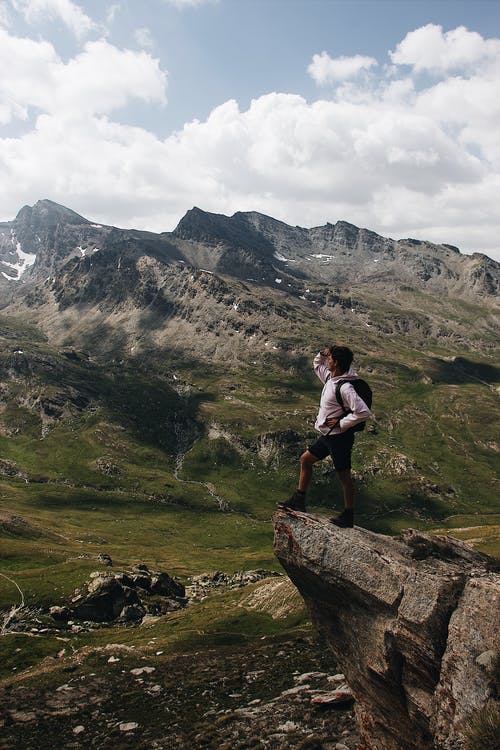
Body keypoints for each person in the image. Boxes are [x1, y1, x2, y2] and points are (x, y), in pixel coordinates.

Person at [278, 345, 372, 527]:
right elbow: (316, 364)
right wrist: (323, 353)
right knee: (305, 460)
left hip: (339, 438)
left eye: (330, 359)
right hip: (328, 436)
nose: (326, 361)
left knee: (344, 476)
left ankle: (348, 515)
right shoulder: (330, 378)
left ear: (335, 363)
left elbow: (363, 412)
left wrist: (341, 423)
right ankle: (299, 499)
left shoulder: (345, 388)